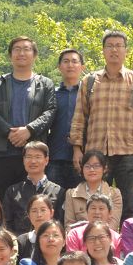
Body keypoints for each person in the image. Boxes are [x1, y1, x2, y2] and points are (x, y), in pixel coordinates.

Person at [70, 30, 133, 216]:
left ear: (126, 51)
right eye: (110, 46)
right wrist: (77, 148)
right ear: (103, 51)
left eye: (118, 46)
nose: (114, 50)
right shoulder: (89, 81)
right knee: (96, 203)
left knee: (131, 205)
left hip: (129, 151)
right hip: (96, 152)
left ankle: (129, 243)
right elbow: (79, 117)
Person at [0, 36, 57, 200]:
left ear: (35, 55)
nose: (21, 53)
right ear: (10, 55)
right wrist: (10, 132)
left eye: (26, 49)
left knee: (32, 203)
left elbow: (50, 111)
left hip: (33, 154)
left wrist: (29, 130)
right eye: (17, 49)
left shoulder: (45, 84)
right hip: (1, 153)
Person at [2, 141, 63, 235]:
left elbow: (60, 223)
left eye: (38, 157)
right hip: (20, 245)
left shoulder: (59, 191)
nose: (33, 161)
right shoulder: (13, 191)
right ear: (23, 160)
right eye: (29, 157)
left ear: (46, 160)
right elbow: (6, 222)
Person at [46, 48, 85, 191]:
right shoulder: (51, 94)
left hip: (82, 158)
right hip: (55, 156)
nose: (70, 65)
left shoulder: (89, 94)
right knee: (53, 202)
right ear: (59, 67)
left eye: (75, 61)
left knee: (79, 202)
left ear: (82, 67)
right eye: (66, 61)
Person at [62, 149, 124, 229]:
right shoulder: (71, 194)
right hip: (80, 239)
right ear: (82, 169)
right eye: (87, 166)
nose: (91, 170)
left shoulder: (114, 193)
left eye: (96, 166)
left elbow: (113, 225)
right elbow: (69, 225)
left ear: (104, 169)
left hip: (106, 238)